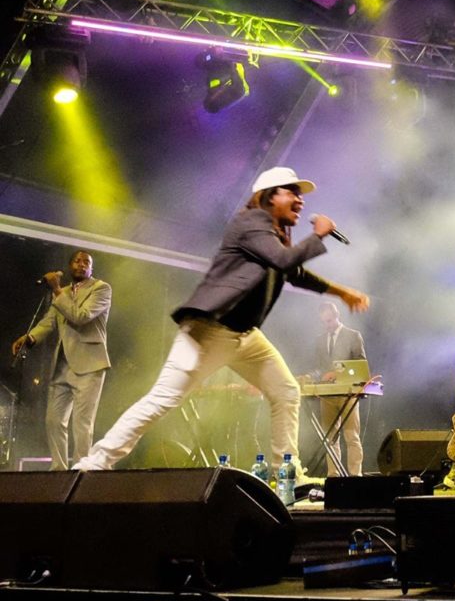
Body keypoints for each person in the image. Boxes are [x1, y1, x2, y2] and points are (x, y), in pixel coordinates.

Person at [74, 167, 369, 474]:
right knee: (163, 398)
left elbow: (294, 272)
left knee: (285, 391)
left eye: (300, 195)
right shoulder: (251, 222)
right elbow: (284, 261)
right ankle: (95, 462)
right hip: (208, 332)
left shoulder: (274, 236)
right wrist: (319, 233)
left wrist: (341, 292)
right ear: (268, 196)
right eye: (292, 192)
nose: (300, 201)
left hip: (245, 336)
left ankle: (287, 472)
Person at [10, 250, 111, 469]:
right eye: (77, 261)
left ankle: (82, 472)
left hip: (90, 365)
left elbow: (81, 316)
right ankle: (59, 470)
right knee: (53, 421)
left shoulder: (101, 289)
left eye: (87, 262)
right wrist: (29, 337)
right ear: (70, 266)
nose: (82, 265)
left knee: (82, 424)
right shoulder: (63, 292)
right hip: (62, 366)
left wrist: (56, 290)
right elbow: (49, 322)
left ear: (91, 268)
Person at [310, 301, 367, 477]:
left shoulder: (353, 336)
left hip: (348, 393)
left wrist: (337, 373)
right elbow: (319, 367)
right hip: (327, 395)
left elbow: (360, 365)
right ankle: (334, 476)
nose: (327, 325)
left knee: (351, 436)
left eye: (329, 321)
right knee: (330, 438)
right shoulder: (320, 340)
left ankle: (355, 477)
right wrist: (313, 376)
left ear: (337, 316)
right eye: (324, 322)